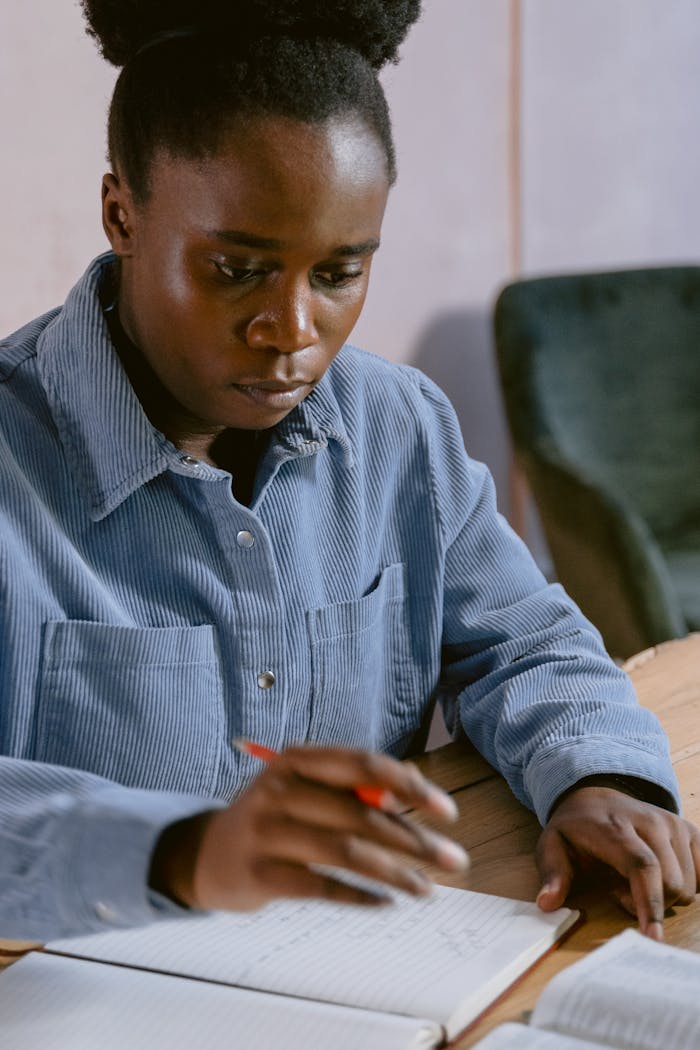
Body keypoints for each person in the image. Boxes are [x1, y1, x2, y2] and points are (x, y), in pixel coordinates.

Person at [1, 0, 698, 943]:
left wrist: (597, 774)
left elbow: (525, 641)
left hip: (377, 979)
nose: (292, 332)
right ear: (122, 213)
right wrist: (181, 852)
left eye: (338, 274)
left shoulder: (397, 426)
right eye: (237, 270)